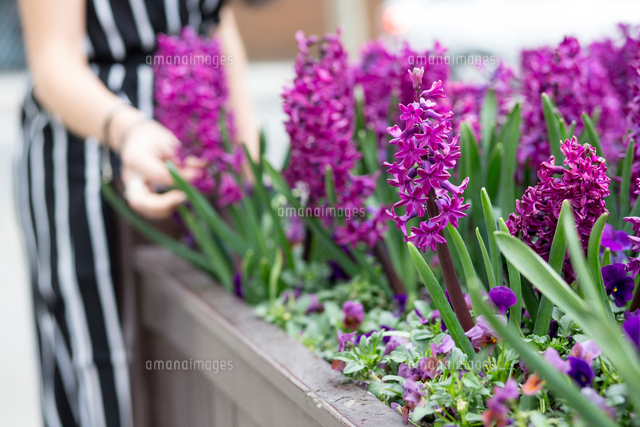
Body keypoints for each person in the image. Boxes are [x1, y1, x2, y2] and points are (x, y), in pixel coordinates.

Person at [15, 0, 257, 425]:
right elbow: (53, 60)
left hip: (203, 163)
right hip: (92, 159)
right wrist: (130, 131)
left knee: (200, 366)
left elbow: (218, 24)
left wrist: (248, 164)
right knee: (109, 369)